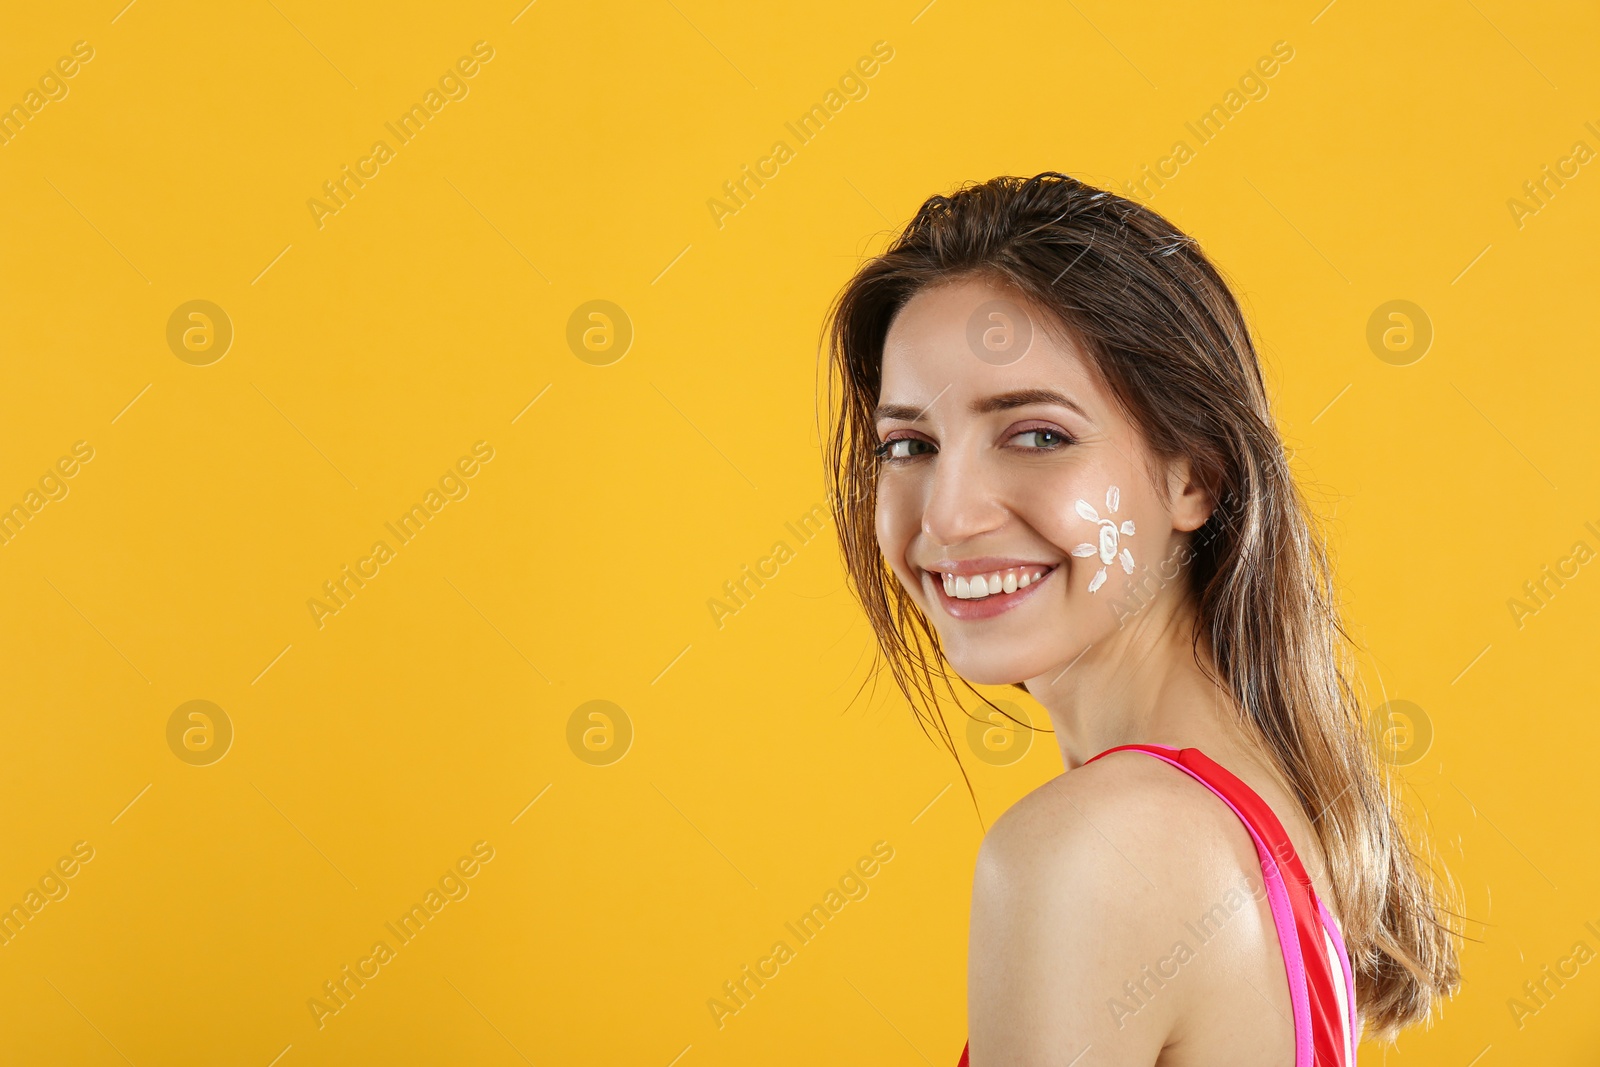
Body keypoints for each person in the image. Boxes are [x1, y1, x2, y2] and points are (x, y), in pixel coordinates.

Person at [819, 172, 1461, 1065]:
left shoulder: (1091, 851)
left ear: (1193, 474)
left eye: (1038, 434)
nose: (947, 515)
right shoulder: (1268, 820)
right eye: (908, 446)